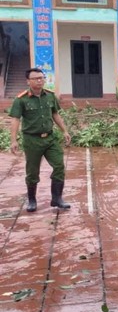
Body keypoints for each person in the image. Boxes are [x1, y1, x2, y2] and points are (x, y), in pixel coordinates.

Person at [8, 67, 72, 212]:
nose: (40, 80)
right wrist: (13, 140)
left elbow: (55, 114)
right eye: (36, 78)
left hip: (50, 138)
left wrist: (65, 131)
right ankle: (31, 200)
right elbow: (16, 120)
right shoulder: (21, 99)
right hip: (32, 141)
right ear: (28, 81)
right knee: (32, 172)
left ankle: (57, 198)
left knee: (59, 166)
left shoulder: (50, 96)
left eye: (42, 78)